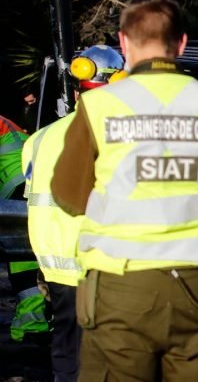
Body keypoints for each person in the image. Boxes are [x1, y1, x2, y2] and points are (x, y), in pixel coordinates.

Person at [51, 0, 198, 381]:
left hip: (120, 289)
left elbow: (67, 194)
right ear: (181, 44)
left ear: (123, 42)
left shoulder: (100, 106)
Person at [23, 44, 126, 381]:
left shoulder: (40, 139)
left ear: (78, 92)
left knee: (68, 350)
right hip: (104, 267)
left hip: (57, 268)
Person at [0, 113, 48, 344]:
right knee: (25, 254)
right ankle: (32, 324)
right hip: (25, 183)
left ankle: (32, 326)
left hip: (17, 187)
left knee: (23, 257)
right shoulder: (6, 124)